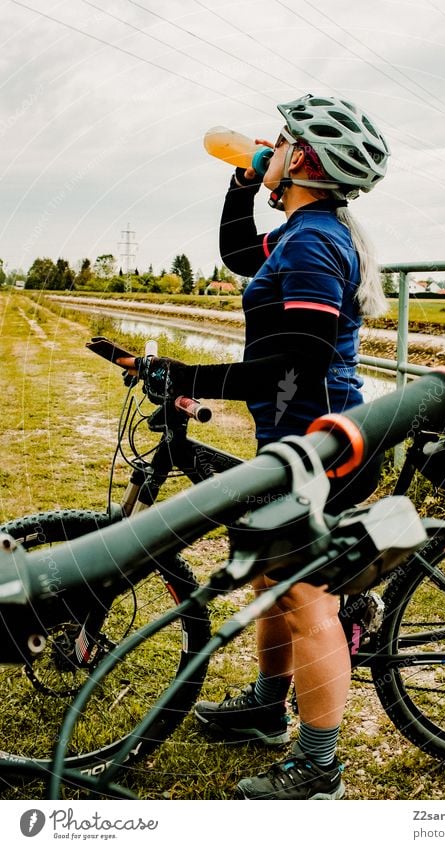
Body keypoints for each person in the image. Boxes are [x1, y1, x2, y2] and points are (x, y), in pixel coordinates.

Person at [120, 94, 390, 799]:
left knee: (304, 595)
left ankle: (319, 766)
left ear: (301, 158)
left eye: (279, 142)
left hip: (323, 446)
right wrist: (241, 183)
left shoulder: (313, 245)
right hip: (293, 439)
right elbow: (241, 252)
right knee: (272, 579)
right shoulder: (303, 230)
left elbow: (288, 363)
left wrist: (185, 373)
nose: (267, 148)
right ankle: (269, 708)